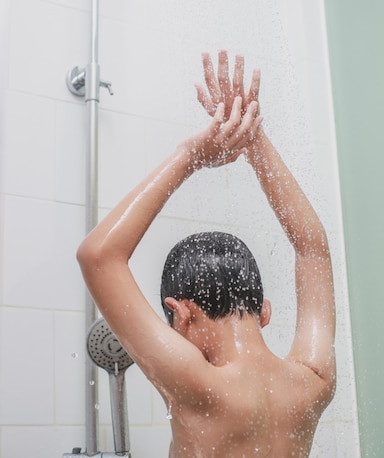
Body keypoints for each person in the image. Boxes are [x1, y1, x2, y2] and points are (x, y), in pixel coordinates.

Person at [77, 50, 336, 458]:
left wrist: (189, 157)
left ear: (181, 315)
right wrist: (252, 137)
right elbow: (313, 249)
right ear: (264, 311)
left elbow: (98, 256)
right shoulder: (313, 380)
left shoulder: (196, 385)